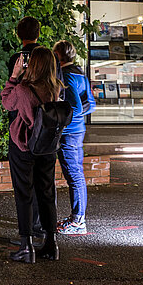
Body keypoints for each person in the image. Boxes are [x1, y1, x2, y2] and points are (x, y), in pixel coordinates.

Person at [1, 46, 63, 263]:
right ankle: (50, 243)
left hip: (24, 146)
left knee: (24, 194)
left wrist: (14, 76)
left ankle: (26, 245)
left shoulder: (23, 89)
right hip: (47, 148)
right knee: (46, 193)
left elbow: (6, 102)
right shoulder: (55, 87)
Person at [6, 16, 47, 244]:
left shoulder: (18, 59)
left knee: (23, 185)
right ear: (39, 33)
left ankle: (28, 235)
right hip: (46, 131)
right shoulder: (49, 59)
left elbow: (9, 100)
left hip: (22, 128)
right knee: (44, 183)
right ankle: (43, 230)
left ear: (18, 34)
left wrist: (14, 78)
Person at [53, 40, 95, 235]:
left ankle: (78, 220)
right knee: (76, 174)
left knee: (74, 176)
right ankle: (77, 218)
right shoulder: (80, 74)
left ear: (58, 56)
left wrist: (63, 121)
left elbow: (75, 108)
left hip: (69, 134)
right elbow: (90, 104)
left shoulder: (67, 76)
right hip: (78, 131)